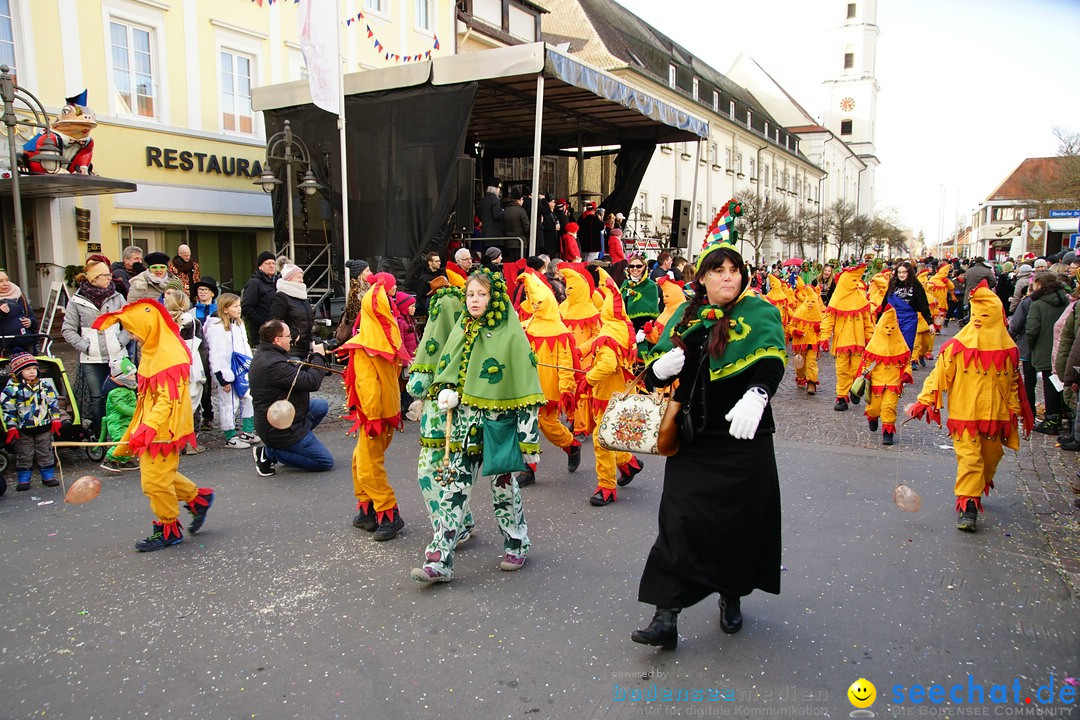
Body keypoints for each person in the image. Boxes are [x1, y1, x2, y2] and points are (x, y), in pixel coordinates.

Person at [632, 241, 786, 649]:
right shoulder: (685, 316)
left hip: (744, 439)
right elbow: (650, 374)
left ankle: (730, 595)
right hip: (695, 439)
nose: (727, 277)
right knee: (678, 524)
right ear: (702, 277)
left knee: (737, 523)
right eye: (718, 270)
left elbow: (772, 359)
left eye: (734, 269)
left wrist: (758, 392)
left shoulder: (760, 312)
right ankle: (666, 616)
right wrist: (659, 369)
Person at [409, 269, 542, 583]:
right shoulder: (462, 327)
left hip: (499, 427)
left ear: (493, 297)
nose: (474, 300)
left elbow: (527, 388)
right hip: (464, 428)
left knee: (504, 491)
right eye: (470, 294)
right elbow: (449, 368)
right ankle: (439, 559)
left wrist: (528, 441)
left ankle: (516, 542)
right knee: (453, 490)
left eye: (481, 294)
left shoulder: (512, 334)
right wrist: (446, 390)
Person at [92, 299, 215, 552]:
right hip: (152, 425)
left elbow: (167, 402)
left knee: (154, 482)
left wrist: (147, 428)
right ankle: (198, 498)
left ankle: (168, 528)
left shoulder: (168, 355)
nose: (134, 337)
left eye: (135, 331)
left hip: (163, 430)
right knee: (161, 476)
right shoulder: (153, 348)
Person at [909, 282, 1032, 532]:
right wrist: (924, 400)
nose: (977, 321)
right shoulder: (957, 347)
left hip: (995, 416)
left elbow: (1012, 383)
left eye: (984, 316)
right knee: (970, 459)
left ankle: (978, 486)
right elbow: (938, 375)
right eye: (974, 315)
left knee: (991, 458)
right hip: (964, 414)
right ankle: (968, 506)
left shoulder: (1009, 350)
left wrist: (1013, 409)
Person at [340, 274, 411, 540]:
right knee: (361, 461)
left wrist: (369, 417)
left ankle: (388, 513)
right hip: (385, 413)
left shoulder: (367, 347)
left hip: (374, 416)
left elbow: (368, 386)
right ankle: (367, 510)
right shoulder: (385, 341)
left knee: (369, 466)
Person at [406, 275, 475, 540]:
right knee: (456, 474)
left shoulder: (436, 343)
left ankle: (447, 528)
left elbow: (417, 387)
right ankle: (463, 521)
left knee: (432, 473)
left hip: (438, 423)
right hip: (465, 421)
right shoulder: (470, 339)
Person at [581, 268, 643, 506]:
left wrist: (588, 379)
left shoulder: (610, 332)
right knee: (612, 434)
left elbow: (607, 363)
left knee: (602, 440)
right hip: (621, 393)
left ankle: (606, 486)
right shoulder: (622, 326)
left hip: (608, 394)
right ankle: (629, 464)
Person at [518, 272, 581, 485]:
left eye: (538, 302)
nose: (534, 305)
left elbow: (565, 365)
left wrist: (565, 389)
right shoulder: (526, 326)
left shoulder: (560, 331)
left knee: (549, 425)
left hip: (548, 389)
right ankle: (528, 468)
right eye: (532, 300)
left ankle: (571, 445)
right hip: (526, 387)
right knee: (524, 426)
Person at [249, 320, 333, 476]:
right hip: (278, 426)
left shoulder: (268, 354)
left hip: (283, 414)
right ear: (277, 339)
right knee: (324, 461)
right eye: (288, 336)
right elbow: (311, 382)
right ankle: (269, 453)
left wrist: (310, 361)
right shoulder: (273, 364)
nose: (292, 339)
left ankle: (297, 446)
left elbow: (295, 374)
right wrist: (318, 356)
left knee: (321, 406)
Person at [61, 260, 128, 436]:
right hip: (91, 358)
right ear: (94, 278)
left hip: (117, 356)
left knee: (119, 395)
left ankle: (120, 431)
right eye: (105, 275)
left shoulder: (117, 297)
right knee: (97, 397)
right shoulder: (77, 301)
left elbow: (130, 324)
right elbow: (68, 329)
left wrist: (120, 342)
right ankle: (100, 433)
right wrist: (86, 347)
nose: (109, 277)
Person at [1, 351, 61, 492]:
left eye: (34, 368)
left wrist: (56, 419)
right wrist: (11, 426)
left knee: (45, 452)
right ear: (18, 371)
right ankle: (23, 478)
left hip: (44, 426)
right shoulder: (12, 390)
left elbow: (53, 403)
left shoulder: (44, 386)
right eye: (28, 369)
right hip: (24, 428)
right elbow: (8, 409)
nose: (32, 372)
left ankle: (48, 476)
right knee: (24, 454)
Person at [819, 264, 875, 411]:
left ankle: (854, 389)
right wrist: (824, 337)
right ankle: (842, 397)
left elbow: (867, 321)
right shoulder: (836, 300)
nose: (857, 284)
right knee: (842, 370)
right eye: (854, 281)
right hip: (842, 342)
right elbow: (828, 320)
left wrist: (870, 338)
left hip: (858, 341)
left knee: (858, 368)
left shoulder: (860, 298)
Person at [205, 292, 256, 449]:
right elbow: (217, 354)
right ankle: (230, 435)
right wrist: (222, 376)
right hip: (227, 371)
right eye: (235, 306)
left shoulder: (239, 324)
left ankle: (248, 430)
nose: (239, 309)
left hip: (242, 369)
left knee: (248, 398)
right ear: (225, 309)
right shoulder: (217, 328)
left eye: (239, 305)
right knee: (229, 403)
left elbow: (245, 347)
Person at [162, 289, 210, 454]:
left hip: (168, 367)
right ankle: (190, 443)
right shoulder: (194, 322)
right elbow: (203, 349)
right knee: (192, 405)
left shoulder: (162, 322)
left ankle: (172, 441)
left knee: (171, 405)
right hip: (190, 366)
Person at [559, 262, 602, 436]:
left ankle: (581, 426)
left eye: (571, 287)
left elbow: (597, 335)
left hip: (585, 358)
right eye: (566, 287)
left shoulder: (591, 310)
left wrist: (581, 349)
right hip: (566, 357)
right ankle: (573, 420)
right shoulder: (562, 308)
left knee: (582, 392)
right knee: (568, 389)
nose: (568, 291)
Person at [1025, 271, 1069, 434]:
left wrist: (1032, 345)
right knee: (1059, 383)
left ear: (1040, 286)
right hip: (1062, 347)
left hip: (1044, 347)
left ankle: (1051, 419)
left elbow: (1032, 330)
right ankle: (1062, 415)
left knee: (1049, 382)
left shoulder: (1037, 304)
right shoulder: (1066, 301)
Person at [860, 307, 912, 446]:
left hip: (893, 383)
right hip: (876, 382)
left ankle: (888, 431)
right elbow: (866, 363)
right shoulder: (873, 345)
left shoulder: (901, 345)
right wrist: (864, 376)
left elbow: (907, 362)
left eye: (892, 327)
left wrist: (907, 373)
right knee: (874, 407)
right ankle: (873, 417)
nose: (889, 330)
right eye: (886, 327)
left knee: (889, 406)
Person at [98, 358, 140, 473]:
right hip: (118, 422)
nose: (134, 378)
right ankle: (109, 459)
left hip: (126, 421)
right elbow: (122, 408)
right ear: (122, 378)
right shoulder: (115, 392)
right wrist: (137, 411)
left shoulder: (127, 389)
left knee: (129, 440)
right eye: (131, 376)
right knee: (120, 441)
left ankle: (124, 460)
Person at [268, 262, 314, 357]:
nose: (301, 280)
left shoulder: (302, 296)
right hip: (291, 349)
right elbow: (275, 321)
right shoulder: (281, 297)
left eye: (302, 277)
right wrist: (293, 335)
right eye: (298, 277)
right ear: (289, 278)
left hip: (305, 348)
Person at [788, 281, 824, 395]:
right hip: (800, 343)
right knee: (800, 365)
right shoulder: (799, 312)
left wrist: (820, 332)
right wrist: (794, 331)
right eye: (808, 301)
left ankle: (811, 382)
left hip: (812, 343)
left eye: (812, 302)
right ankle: (800, 377)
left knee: (811, 363)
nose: (810, 304)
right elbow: (790, 326)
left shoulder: (818, 315)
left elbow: (824, 330)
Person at [241, 251, 279, 346]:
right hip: (261, 335)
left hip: (277, 332)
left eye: (273, 263)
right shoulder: (254, 283)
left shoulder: (278, 282)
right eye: (267, 263)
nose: (271, 266)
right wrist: (263, 324)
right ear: (260, 267)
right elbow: (246, 307)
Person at [621, 253, 660, 332]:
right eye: (632, 266)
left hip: (641, 328)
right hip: (625, 326)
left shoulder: (650, 285)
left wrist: (643, 330)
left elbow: (652, 311)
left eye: (638, 266)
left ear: (644, 267)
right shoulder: (626, 284)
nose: (635, 269)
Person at [0, 269, 36, 354]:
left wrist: (30, 322)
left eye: (7, 280)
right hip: (6, 348)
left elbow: (33, 320)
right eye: (0, 281)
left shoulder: (18, 294)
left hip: (28, 343)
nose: (5, 284)